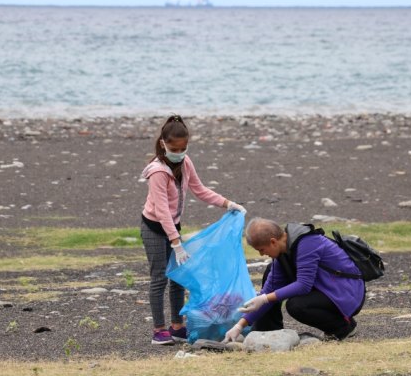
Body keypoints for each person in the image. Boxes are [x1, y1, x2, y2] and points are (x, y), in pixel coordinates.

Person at [140, 114, 246, 346]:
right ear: (163, 144)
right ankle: (159, 331)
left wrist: (227, 203)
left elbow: (200, 189)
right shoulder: (157, 172)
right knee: (159, 278)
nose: (179, 151)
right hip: (154, 227)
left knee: (178, 278)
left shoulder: (185, 162)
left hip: (172, 226)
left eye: (184, 147)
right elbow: (161, 211)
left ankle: (177, 326)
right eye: (175, 148)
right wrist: (176, 243)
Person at [223, 217, 365, 342]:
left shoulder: (307, 242)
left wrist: (265, 298)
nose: (261, 254)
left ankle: (343, 328)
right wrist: (239, 325)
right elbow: (269, 291)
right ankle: (267, 332)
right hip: (325, 288)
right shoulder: (283, 253)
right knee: (269, 276)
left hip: (346, 291)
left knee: (297, 305)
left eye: (261, 249)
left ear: (273, 242)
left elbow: (303, 285)